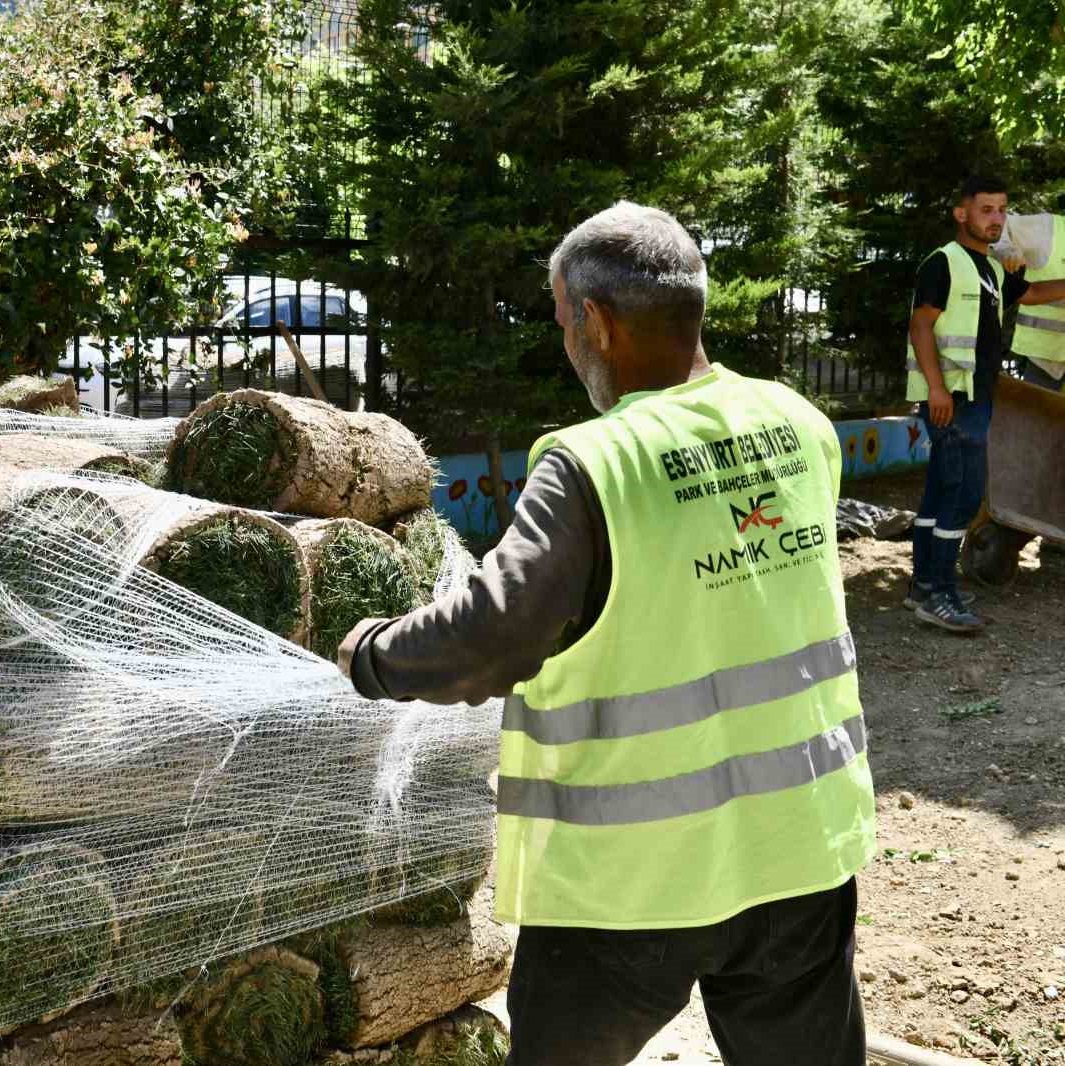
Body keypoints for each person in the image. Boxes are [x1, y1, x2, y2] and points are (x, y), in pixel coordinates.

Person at [338, 202, 876, 1066]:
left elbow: (494, 633)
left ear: (595, 320)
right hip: (799, 857)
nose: (566, 343)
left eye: (561, 322)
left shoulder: (594, 465)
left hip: (630, 886)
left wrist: (371, 654)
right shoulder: (800, 425)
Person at [904, 177, 1065, 632]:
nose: (996, 219)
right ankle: (939, 594)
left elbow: (1030, 293)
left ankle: (923, 585)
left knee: (940, 492)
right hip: (953, 399)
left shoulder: (990, 269)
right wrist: (936, 389)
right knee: (963, 494)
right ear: (962, 214)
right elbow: (921, 328)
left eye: (1001, 210)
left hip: (975, 396)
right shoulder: (945, 262)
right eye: (986, 210)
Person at [991, 210, 1065, 392]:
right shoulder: (1050, 230)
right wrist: (1006, 248)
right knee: (1034, 416)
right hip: (1045, 362)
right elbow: (1000, 224)